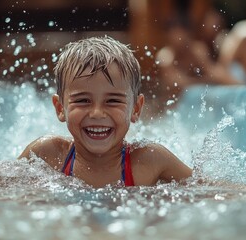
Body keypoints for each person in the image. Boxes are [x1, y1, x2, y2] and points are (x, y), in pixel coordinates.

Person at [18, 36, 192, 188]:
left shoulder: (150, 161)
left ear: (136, 108)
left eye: (113, 101)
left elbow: (209, 190)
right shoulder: (46, 155)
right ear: (60, 108)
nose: (97, 113)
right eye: (82, 100)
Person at [156, 15, 239, 105]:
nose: (179, 39)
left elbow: (215, 73)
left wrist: (239, 86)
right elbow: (178, 85)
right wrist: (206, 81)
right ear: (168, 36)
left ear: (188, 34)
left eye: (182, 35)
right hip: (172, 105)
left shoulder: (197, 51)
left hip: (193, 100)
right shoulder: (165, 57)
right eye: (175, 35)